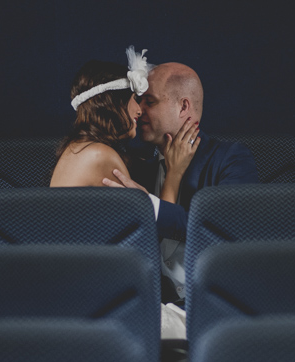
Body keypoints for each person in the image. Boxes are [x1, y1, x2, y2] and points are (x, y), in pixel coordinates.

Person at [50, 47, 196, 338]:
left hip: (77, 301)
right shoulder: (101, 157)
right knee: (200, 326)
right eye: (134, 99)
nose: (139, 110)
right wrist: (174, 175)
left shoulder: (76, 149)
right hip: (101, 311)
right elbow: (153, 248)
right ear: (113, 102)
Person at [103, 61, 259, 304]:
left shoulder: (232, 159)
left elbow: (225, 232)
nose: (138, 110)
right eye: (139, 100)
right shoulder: (135, 167)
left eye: (150, 101)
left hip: (213, 306)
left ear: (183, 106)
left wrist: (149, 206)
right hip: (151, 308)